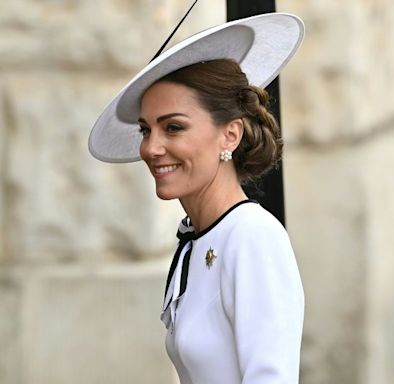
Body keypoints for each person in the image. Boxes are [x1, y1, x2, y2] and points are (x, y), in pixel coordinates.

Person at [88, 12, 305, 384]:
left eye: (173, 127)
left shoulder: (252, 237)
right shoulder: (196, 238)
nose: (152, 147)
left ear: (230, 135)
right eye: (146, 129)